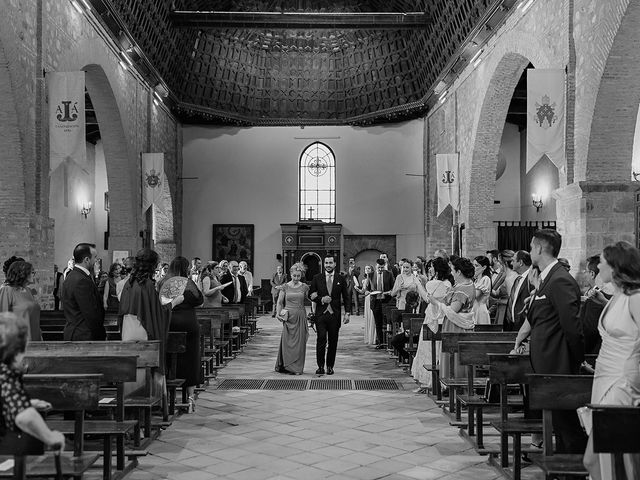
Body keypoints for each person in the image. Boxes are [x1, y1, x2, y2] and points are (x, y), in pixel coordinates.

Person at [583, 241, 640, 479]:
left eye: (603, 262)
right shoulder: (618, 295)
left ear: (616, 267)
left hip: (622, 381)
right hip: (604, 377)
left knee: (607, 456)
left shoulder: (636, 297)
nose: (598, 266)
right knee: (603, 456)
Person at [528, 229, 586, 454]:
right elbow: (540, 316)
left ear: (540, 248)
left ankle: (576, 469)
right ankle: (564, 470)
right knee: (561, 425)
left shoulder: (560, 279)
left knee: (567, 425)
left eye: (532, 247)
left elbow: (572, 326)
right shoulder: (547, 278)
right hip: (548, 361)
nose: (531, 250)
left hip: (557, 362)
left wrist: (577, 359)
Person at [0, 313, 65, 457]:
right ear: (15, 351)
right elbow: (25, 417)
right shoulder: (5, 373)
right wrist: (50, 437)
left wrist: (27, 402)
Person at [158, 256, 204, 413]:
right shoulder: (186, 282)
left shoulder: (163, 282)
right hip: (188, 323)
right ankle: (190, 397)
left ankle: (170, 396)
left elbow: (159, 301)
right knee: (190, 359)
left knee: (170, 358)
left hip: (169, 323)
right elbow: (199, 299)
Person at [119, 249, 182, 342]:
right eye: (156, 265)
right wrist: (174, 303)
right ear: (152, 265)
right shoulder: (146, 284)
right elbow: (158, 313)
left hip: (127, 331)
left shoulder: (129, 282)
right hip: (143, 331)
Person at [428, 257, 476, 379]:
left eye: (453, 270)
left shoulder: (463, 289)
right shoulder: (464, 284)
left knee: (455, 358)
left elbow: (452, 311)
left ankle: (457, 386)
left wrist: (436, 302)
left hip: (456, 327)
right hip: (455, 325)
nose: (452, 273)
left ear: (459, 272)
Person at [412, 258, 452, 390]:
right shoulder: (446, 283)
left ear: (438, 269)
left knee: (431, 349)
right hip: (439, 317)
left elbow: (427, 298)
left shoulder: (438, 283)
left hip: (434, 319)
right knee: (431, 349)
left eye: (432, 266)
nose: (430, 269)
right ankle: (431, 382)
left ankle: (431, 382)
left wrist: (418, 284)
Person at [309, 256, 351, 375]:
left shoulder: (340, 278)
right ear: (323, 264)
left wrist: (347, 313)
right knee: (321, 339)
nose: (328, 265)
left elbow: (347, 297)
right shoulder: (317, 278)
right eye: (326, 263)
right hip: (321, 315)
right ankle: (320, 366)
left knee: (333, 341)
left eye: (330, 263)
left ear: (334, 264)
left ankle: (330, 366)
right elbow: (310, 294)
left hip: (335, 315)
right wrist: (321, 299)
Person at [62, 243, 106, 341]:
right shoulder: (81, 280)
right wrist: (100, 334)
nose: (96, 261)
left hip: (77, 332)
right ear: (86, 259)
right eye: (95, 257)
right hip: (83, 335)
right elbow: (90, 312)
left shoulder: (73, 276)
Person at [274, 265, 309, 375]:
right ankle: (287, 365)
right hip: (288, 318)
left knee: (300, 343)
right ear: (290, 274)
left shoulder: (304, 287)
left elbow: (312, 299)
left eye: (298, 276)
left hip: (300, 316)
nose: (296, 278)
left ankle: (297, 368)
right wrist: (278, 313)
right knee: (287, 342)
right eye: (294, 276)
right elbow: (280, 302)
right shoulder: (285, 286)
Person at [0, 261, 42, 341]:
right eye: (31, 272)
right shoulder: (7, 290)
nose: (34, 274)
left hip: (34, 338)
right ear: (22, 273)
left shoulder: (28, 290)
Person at [580, 254, 611, 356]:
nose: (583, 274)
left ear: (592, 274)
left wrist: (582, 352)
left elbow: (590, 330)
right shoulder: (606, 294)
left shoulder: (595, 297)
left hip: (594, 353)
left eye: (585, 271)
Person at [504, 250, 534, 332]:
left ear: (520, 263)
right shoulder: (518, 279)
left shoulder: (532, 279)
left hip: (523, 326)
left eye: (513, 261)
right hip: (512, 325)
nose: (511, 263)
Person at [369, 259, 395, 349]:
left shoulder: (389, 274)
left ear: (384, 266)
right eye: (378, 267)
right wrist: (370, 292)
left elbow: (393, 287)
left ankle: (388, 343)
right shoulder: (371, 275)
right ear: (375, 266)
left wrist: (388, 292)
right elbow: (368, 289)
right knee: (378, 323)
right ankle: (380, 342)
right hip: (375, 301)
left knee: (386, 322)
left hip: (386, 301)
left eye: (382, 267)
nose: (380, 269)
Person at [356, 265, 375, 345]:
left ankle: (373, 337)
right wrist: (358, 290)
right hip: (367, 299)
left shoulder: (374, 279)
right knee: (368, 317)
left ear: (372, 270)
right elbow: (363, 291)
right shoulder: (364, 280)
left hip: (372, 298)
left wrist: (369, 277)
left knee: (372, 317)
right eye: (366, 269)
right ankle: (368, 337)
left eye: (369, 268)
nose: (367, 270)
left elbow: (373, 288)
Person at [472, 256, 492, 325]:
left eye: (476, 266)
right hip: (474, 309)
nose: (474, 268)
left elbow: (476, 295)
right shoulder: (475, 281)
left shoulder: (485, 279)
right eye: (473, 265)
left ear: (484, 267)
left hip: (480, 310)